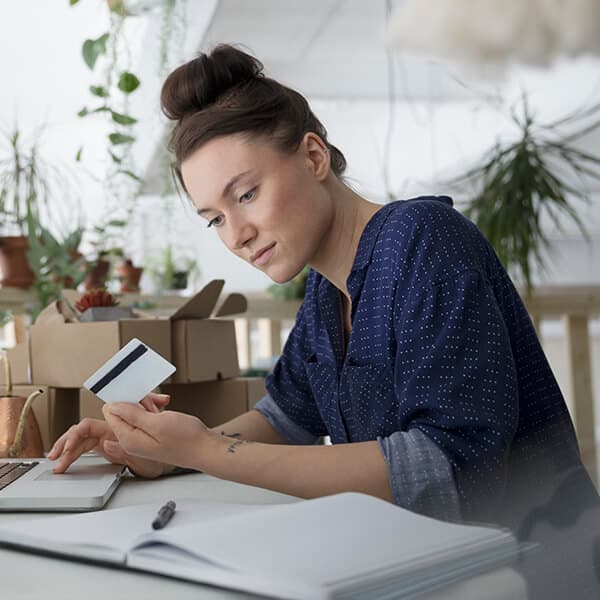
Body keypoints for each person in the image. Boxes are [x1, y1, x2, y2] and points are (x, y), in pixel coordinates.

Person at [49, 44, 599, 596]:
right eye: (215, 218)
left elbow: (450, 468)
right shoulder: (323, 291)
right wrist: (161, 451)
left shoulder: (424, 239)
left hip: (534, 563)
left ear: (313, 156)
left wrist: (206, 452)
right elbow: (285, 416)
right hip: (423, 560)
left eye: (247, 194)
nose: (235, 234)